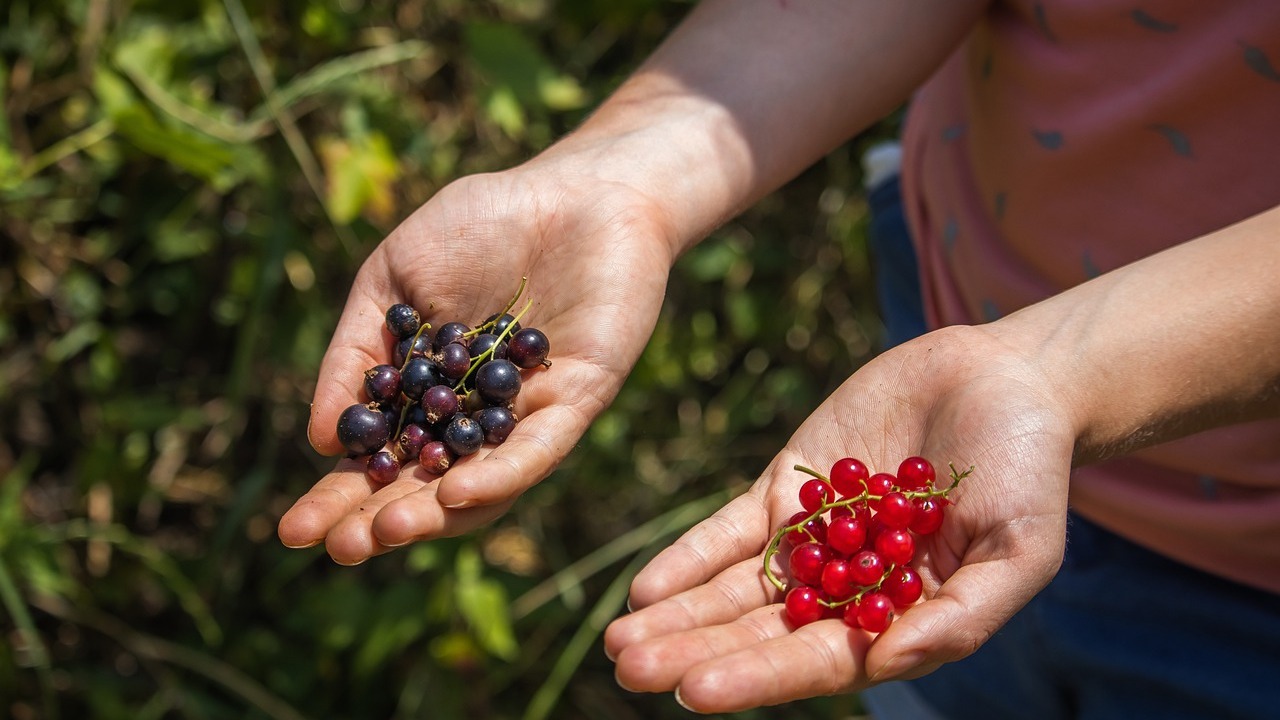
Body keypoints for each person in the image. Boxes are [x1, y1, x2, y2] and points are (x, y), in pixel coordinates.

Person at [278, 1, 1280, 716]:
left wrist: (1063, 379)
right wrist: (625, 176)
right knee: (918, 673)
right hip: (952, 317)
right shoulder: (913, 464)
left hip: (1246, 594)